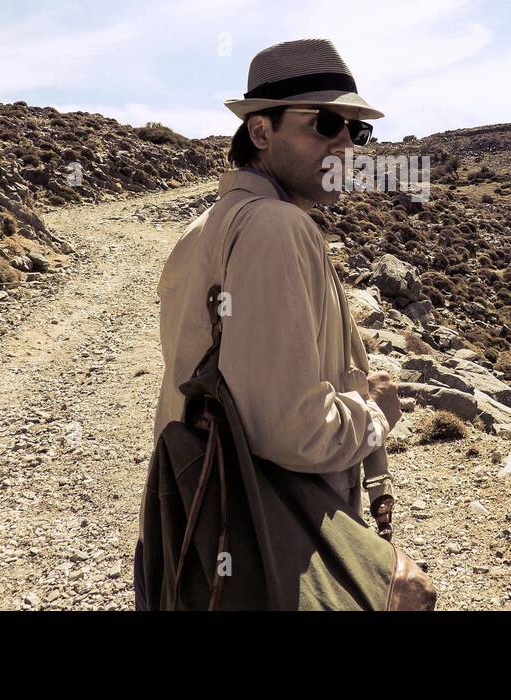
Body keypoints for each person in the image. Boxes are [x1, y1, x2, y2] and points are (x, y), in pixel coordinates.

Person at [138, 37, 435, 609]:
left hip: (193, 522)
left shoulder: (206, 227)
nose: (346, 143)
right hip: (264, 531)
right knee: (411, 594)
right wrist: (374, 414)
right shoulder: (276, 227)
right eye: (325, 123)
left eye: (357, 130)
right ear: (260, 131)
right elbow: (293, 430)